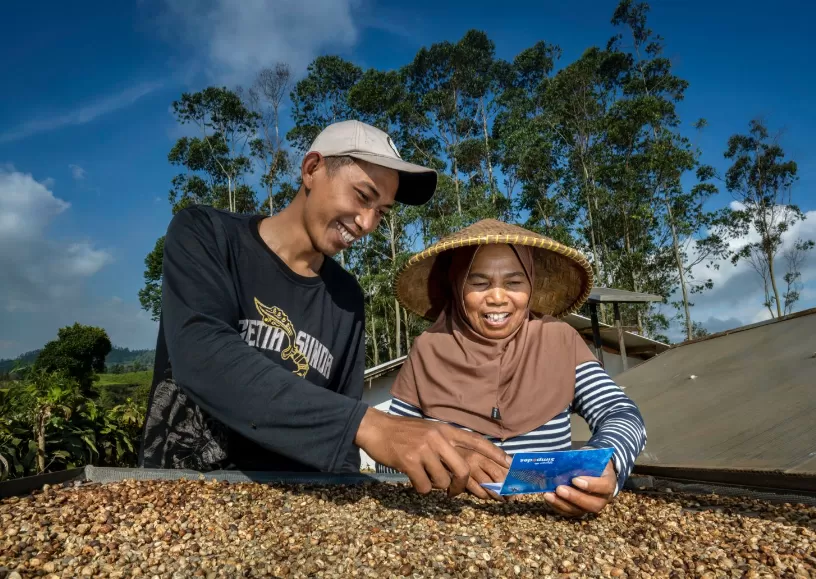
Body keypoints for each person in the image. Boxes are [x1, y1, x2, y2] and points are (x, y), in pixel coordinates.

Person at [138, 120, 510, 497]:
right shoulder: (207, 234)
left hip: (287, 506)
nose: (366, 224)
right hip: (181, 492)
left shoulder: (346, 299)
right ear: (312, 169)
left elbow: (340, 431)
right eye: (363, 196)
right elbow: (202, 355)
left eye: (381, 211)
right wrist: (372, 425)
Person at [377, 219, 647, 517]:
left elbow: (620, 412)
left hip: (550, 517)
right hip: (447, 518)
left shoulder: (559, 340)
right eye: (479, 283)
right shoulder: (428, 349)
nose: (497, 297)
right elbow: (390, 449)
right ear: (457, 286)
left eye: (514, 283)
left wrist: (606, 461)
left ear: (530, 286)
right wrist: (444, 462)